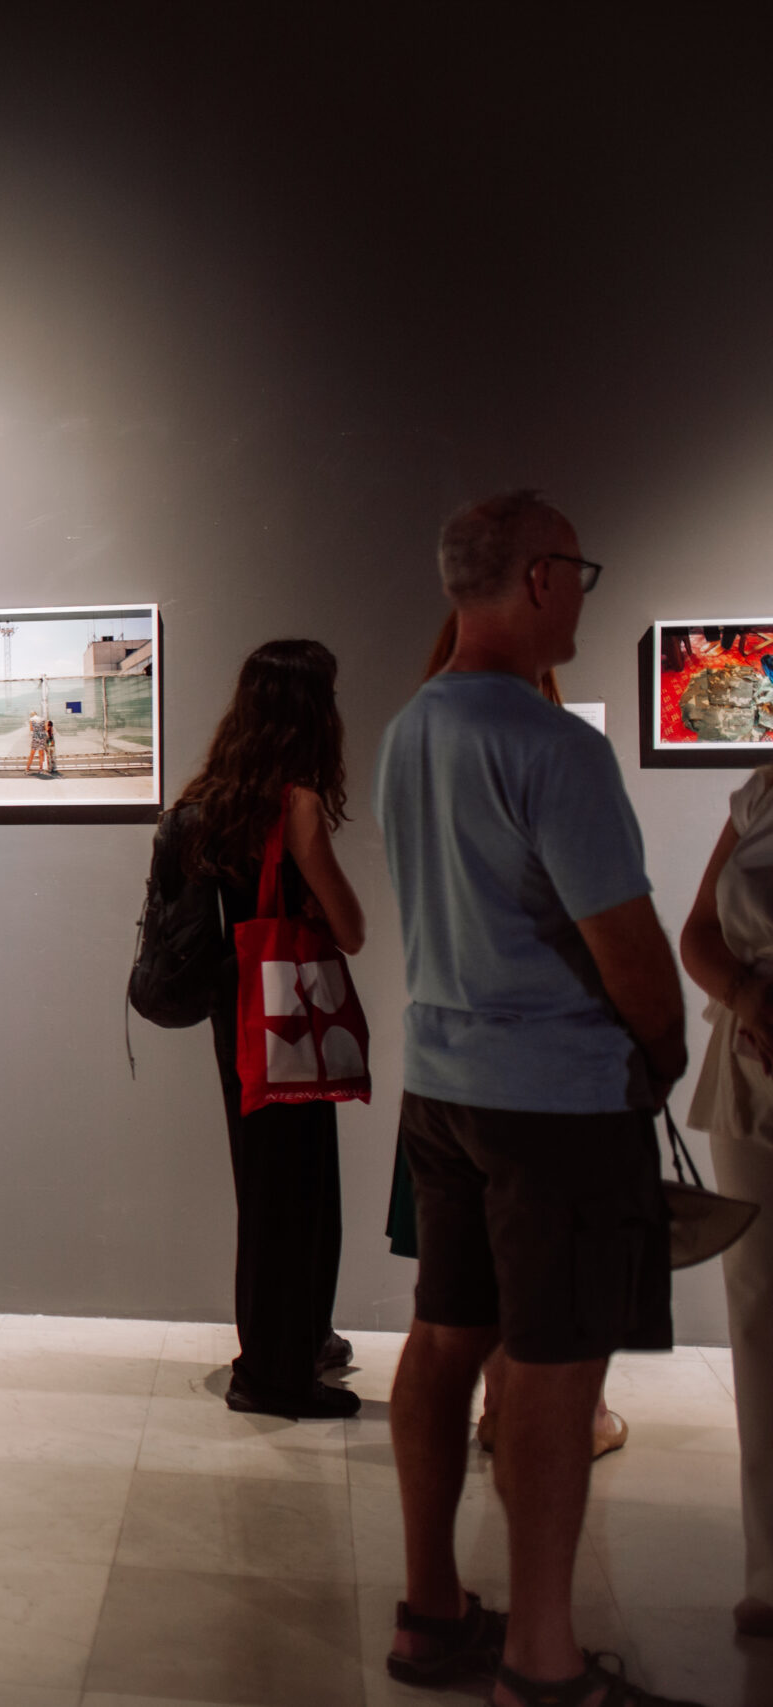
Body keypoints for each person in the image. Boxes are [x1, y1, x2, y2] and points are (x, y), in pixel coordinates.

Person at [377, 490, 695, 1706]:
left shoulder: (410, 729)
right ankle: (542, 1663)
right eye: (579, 572)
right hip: (555, 1102)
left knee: (443, 1336)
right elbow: (630, 950)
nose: (581, 597)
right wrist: (660, 1050)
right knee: (555, 1368)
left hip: (441, 1089)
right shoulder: (555, 748)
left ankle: (430, 1614)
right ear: (538, 578)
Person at [397, 614, 630, 1462]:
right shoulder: (555, 757)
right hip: (541, 1072)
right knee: (553, 1285)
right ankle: (557, 1426)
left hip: (442, 1068)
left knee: (452, 1305)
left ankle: (496, 1417)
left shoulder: (415, 759)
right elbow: (606, 929)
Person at [169, 640, 366, 1420]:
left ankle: (294, 1341)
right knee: (297, 1191)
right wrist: (316, 905)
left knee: (268, 1188)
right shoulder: (297, 803)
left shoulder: (214, 800)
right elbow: (352, 927)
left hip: (239, 1010)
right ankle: (273, 1372)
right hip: (287, 1011)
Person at [679, 762, 773, 1639]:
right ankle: (770, 1567)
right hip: (756, 1065)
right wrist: (747, 995)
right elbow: (699, 932)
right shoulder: (762, 793)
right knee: (758, 1309)